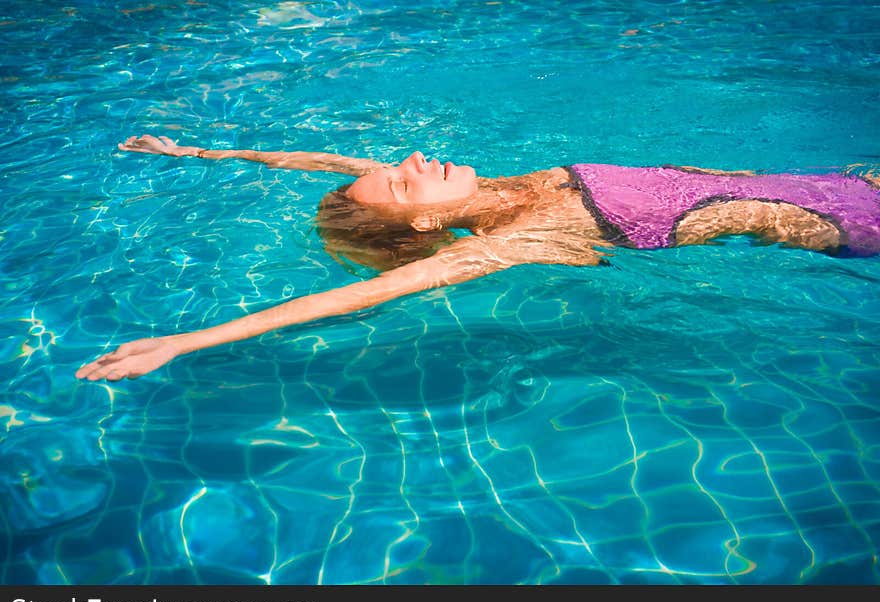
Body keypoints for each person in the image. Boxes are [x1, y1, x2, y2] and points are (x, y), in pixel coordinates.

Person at [75, 135, 880, 382]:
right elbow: (366, 294)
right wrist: (182, 342)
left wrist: (208, 153)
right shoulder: (522, 237)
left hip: (832, 181)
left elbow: (323, 162)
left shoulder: (497, 189)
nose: (415, 156)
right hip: (849, 223)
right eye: (399, 179)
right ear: (423, 224)